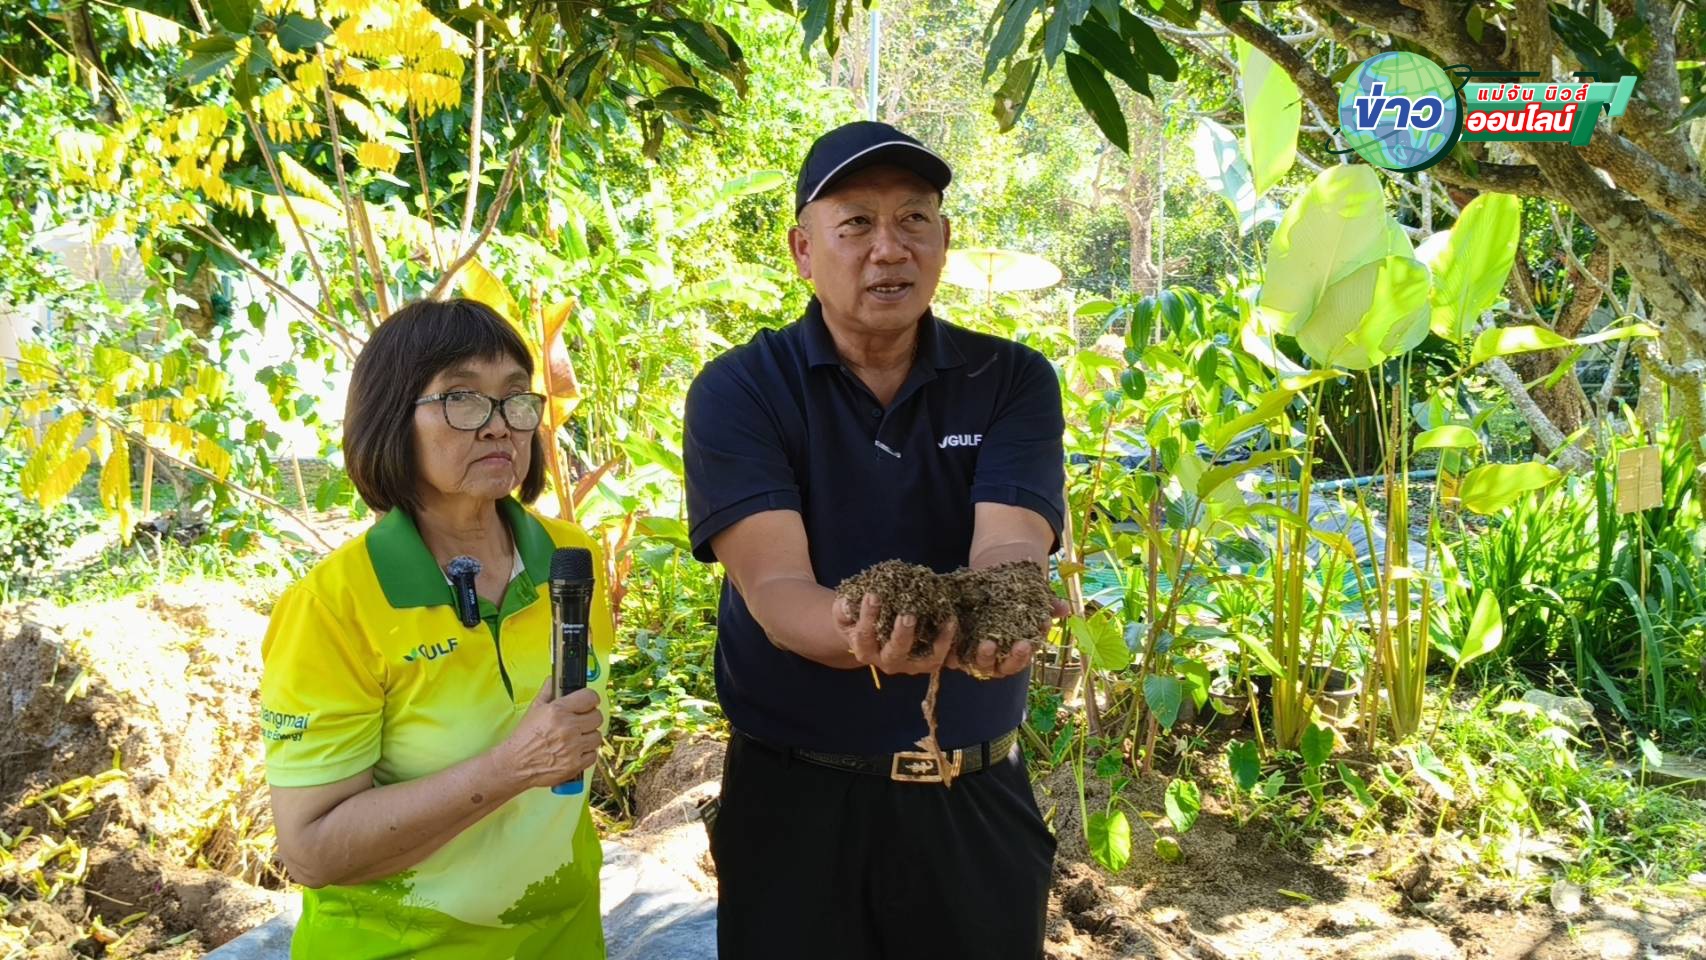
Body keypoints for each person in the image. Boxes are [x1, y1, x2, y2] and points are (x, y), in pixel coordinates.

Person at [683, 121, 1066, 959]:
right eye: (855, 223)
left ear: (944, 239)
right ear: (803, 250)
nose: (888, 249)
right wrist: (873, 629)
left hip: (974, 796)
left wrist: (1005, 613)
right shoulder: (743, 390)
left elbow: (1008, 548)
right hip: (797, 804)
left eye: (913, 220)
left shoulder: (1010, 380)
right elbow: (777, 591)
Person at [260, 298, 612, 959]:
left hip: (565, 940)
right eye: (462, 399)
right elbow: (311, 851)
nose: (499, 425)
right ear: (392, 419)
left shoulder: (571, 560)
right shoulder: (333, 607)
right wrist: (512, 767)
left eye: (515, 398)